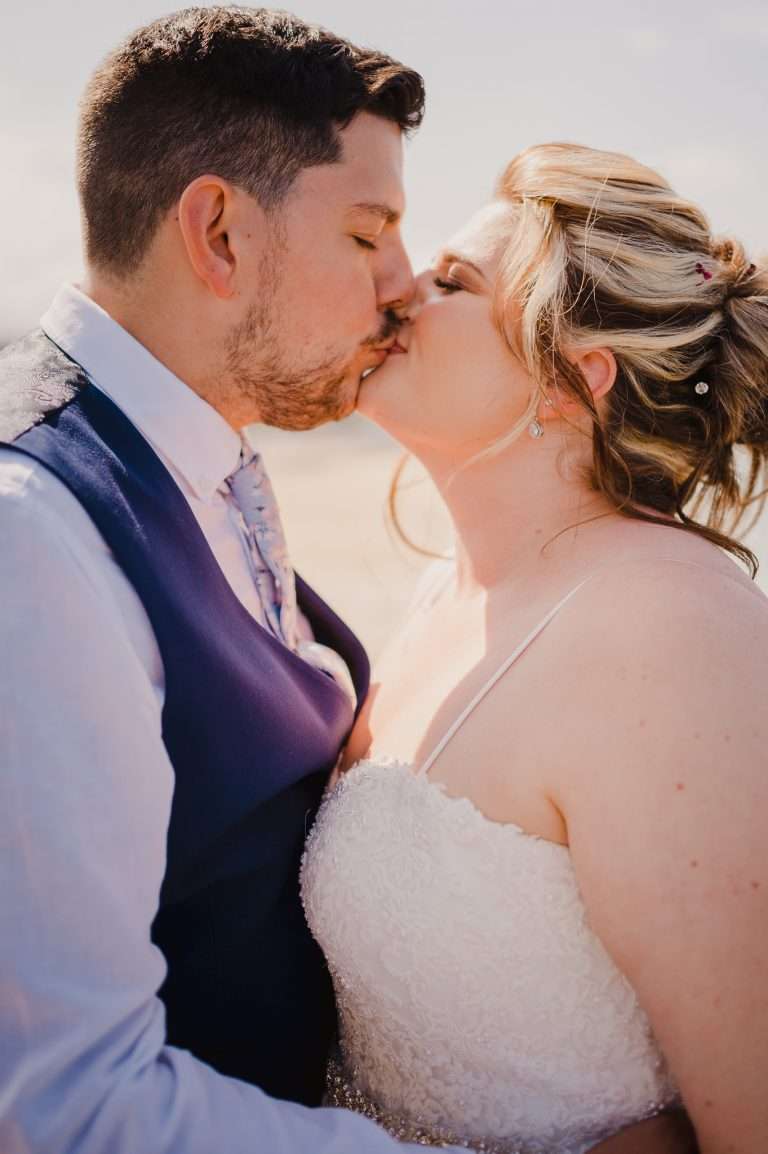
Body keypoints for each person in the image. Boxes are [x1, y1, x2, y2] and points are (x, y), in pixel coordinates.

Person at [0, 7, 701, 1151]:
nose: (400, 283)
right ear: (220, 234)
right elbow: (66, 1107)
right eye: (369, 233)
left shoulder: (207, 465)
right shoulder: (35, 537)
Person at [301, 143, 768, 1153]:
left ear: (570, 382)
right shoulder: (453, 589)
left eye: (453, 282)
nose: (399, 290)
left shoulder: (669, 638)